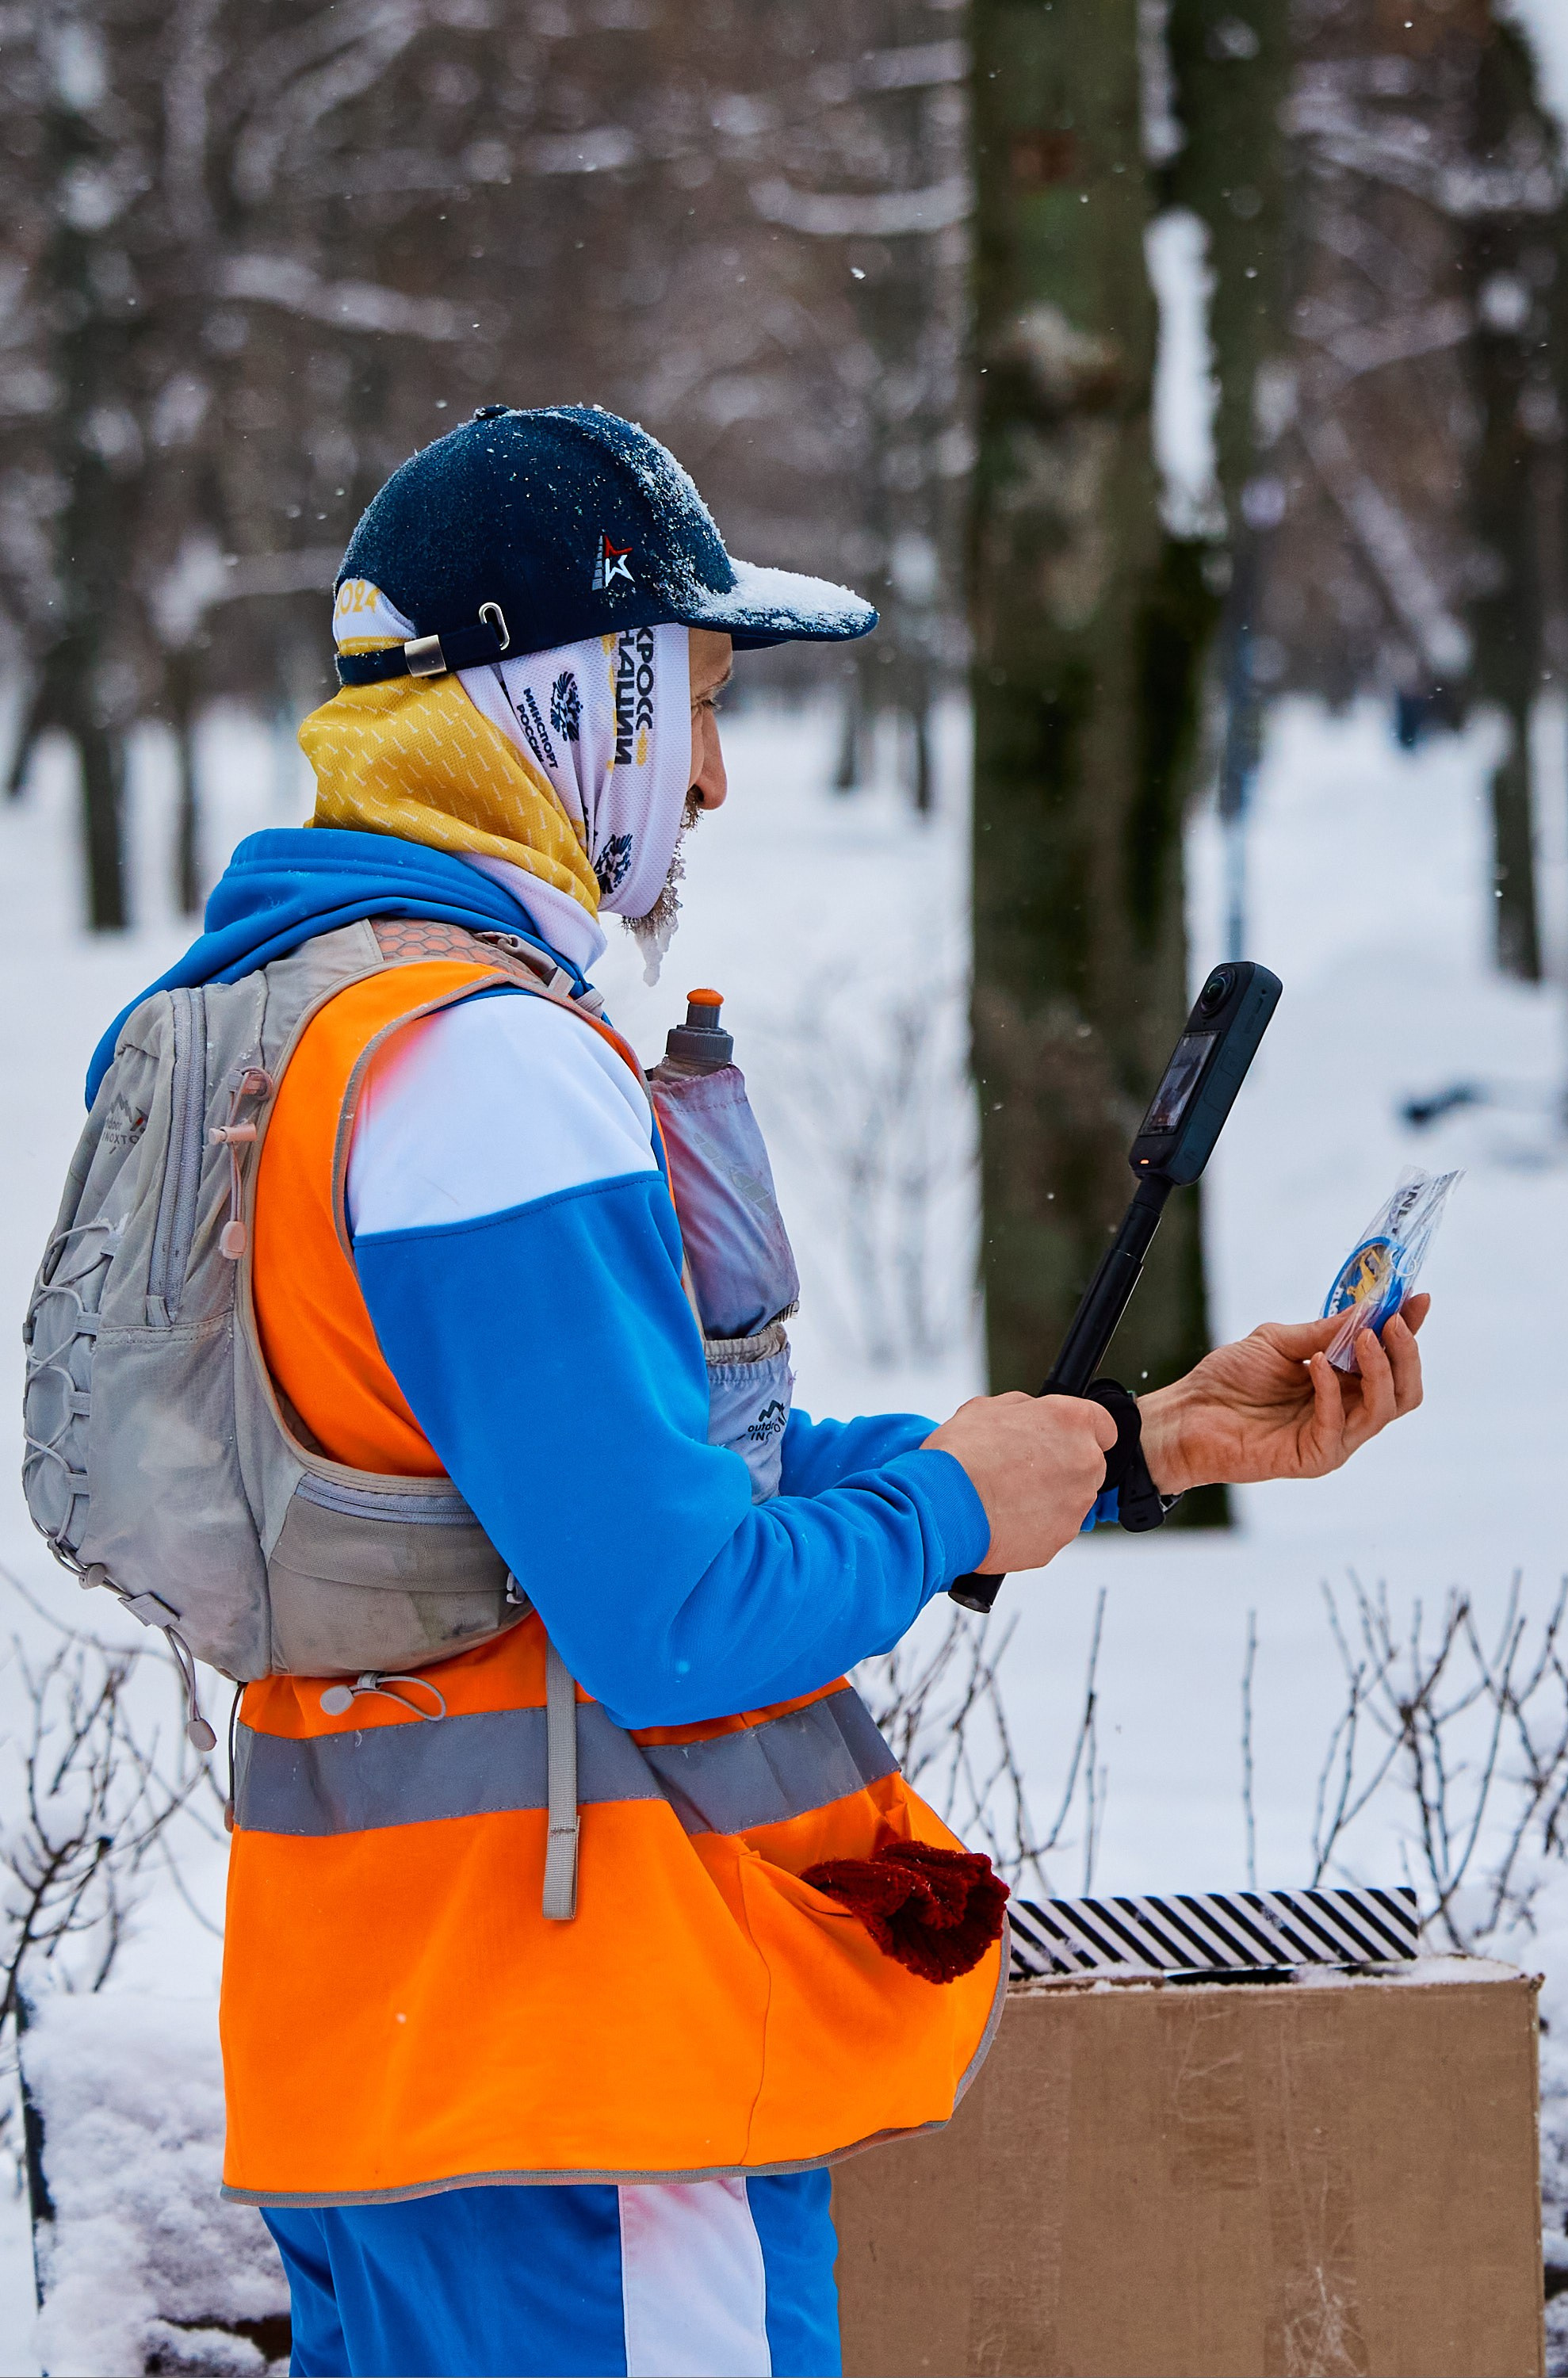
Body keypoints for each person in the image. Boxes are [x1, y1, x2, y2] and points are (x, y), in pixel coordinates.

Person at [86, 406, 1427, 2378]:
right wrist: (953, 1507)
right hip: (594, 2084)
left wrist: (1134, 1447)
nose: (708, 778)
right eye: (687, 700)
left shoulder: (293, 1024)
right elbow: (675, 1612)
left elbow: (582, 1501)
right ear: (559, 696)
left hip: (386, 2052)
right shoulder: (486, 1069)